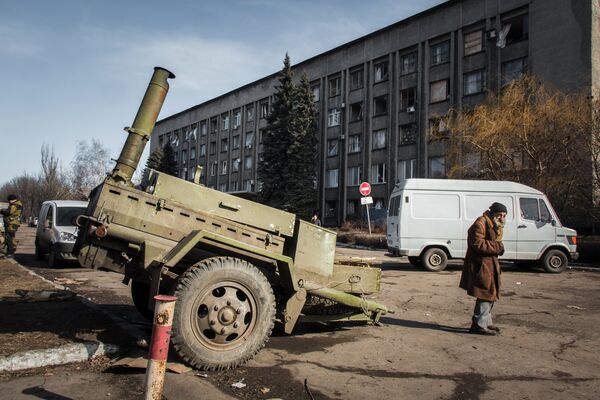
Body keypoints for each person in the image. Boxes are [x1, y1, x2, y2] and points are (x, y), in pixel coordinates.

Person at [459, 202, 507, 336]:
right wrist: (498, 247)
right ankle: (479, 324)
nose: (502, 218)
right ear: (493, 214)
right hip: (481, 265)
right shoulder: (480, 223)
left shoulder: (493, 224)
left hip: (489, 265)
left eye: (504, 216)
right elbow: (477, 243)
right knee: (485, 294)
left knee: (490, 294)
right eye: (499, 215)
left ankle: (485, 322)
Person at [1, 194, 23, 259]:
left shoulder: (15, 205)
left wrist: (2, 210)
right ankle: (10, 252)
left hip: (12, 223)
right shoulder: (17, 204)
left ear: (13, 199)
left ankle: (10, 252)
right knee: (11, 237)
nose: (9, 202)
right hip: (12, 223)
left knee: (9, 237)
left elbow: (8, 212)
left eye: (9, 200)